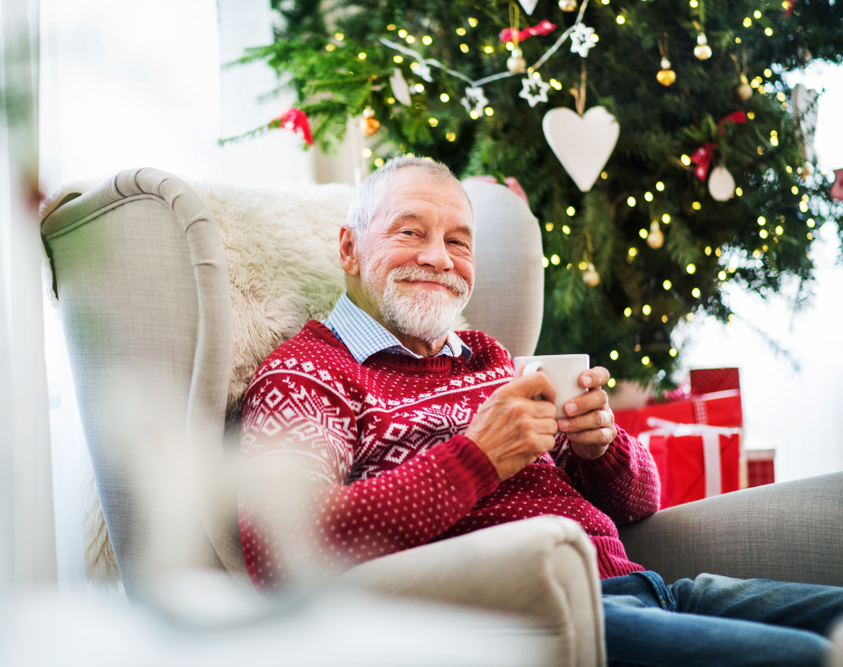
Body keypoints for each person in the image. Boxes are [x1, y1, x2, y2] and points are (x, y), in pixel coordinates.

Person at [237, 156, 843, 666]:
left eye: (458, 242)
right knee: (810, 657)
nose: (440, 259)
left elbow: (639, 504)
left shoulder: (485, 356)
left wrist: (600, 446)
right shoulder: (307, 373)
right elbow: (279, 546)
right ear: (349, 248)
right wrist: (476, 459)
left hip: (651, 589)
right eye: (409, 233)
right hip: (535, 620)